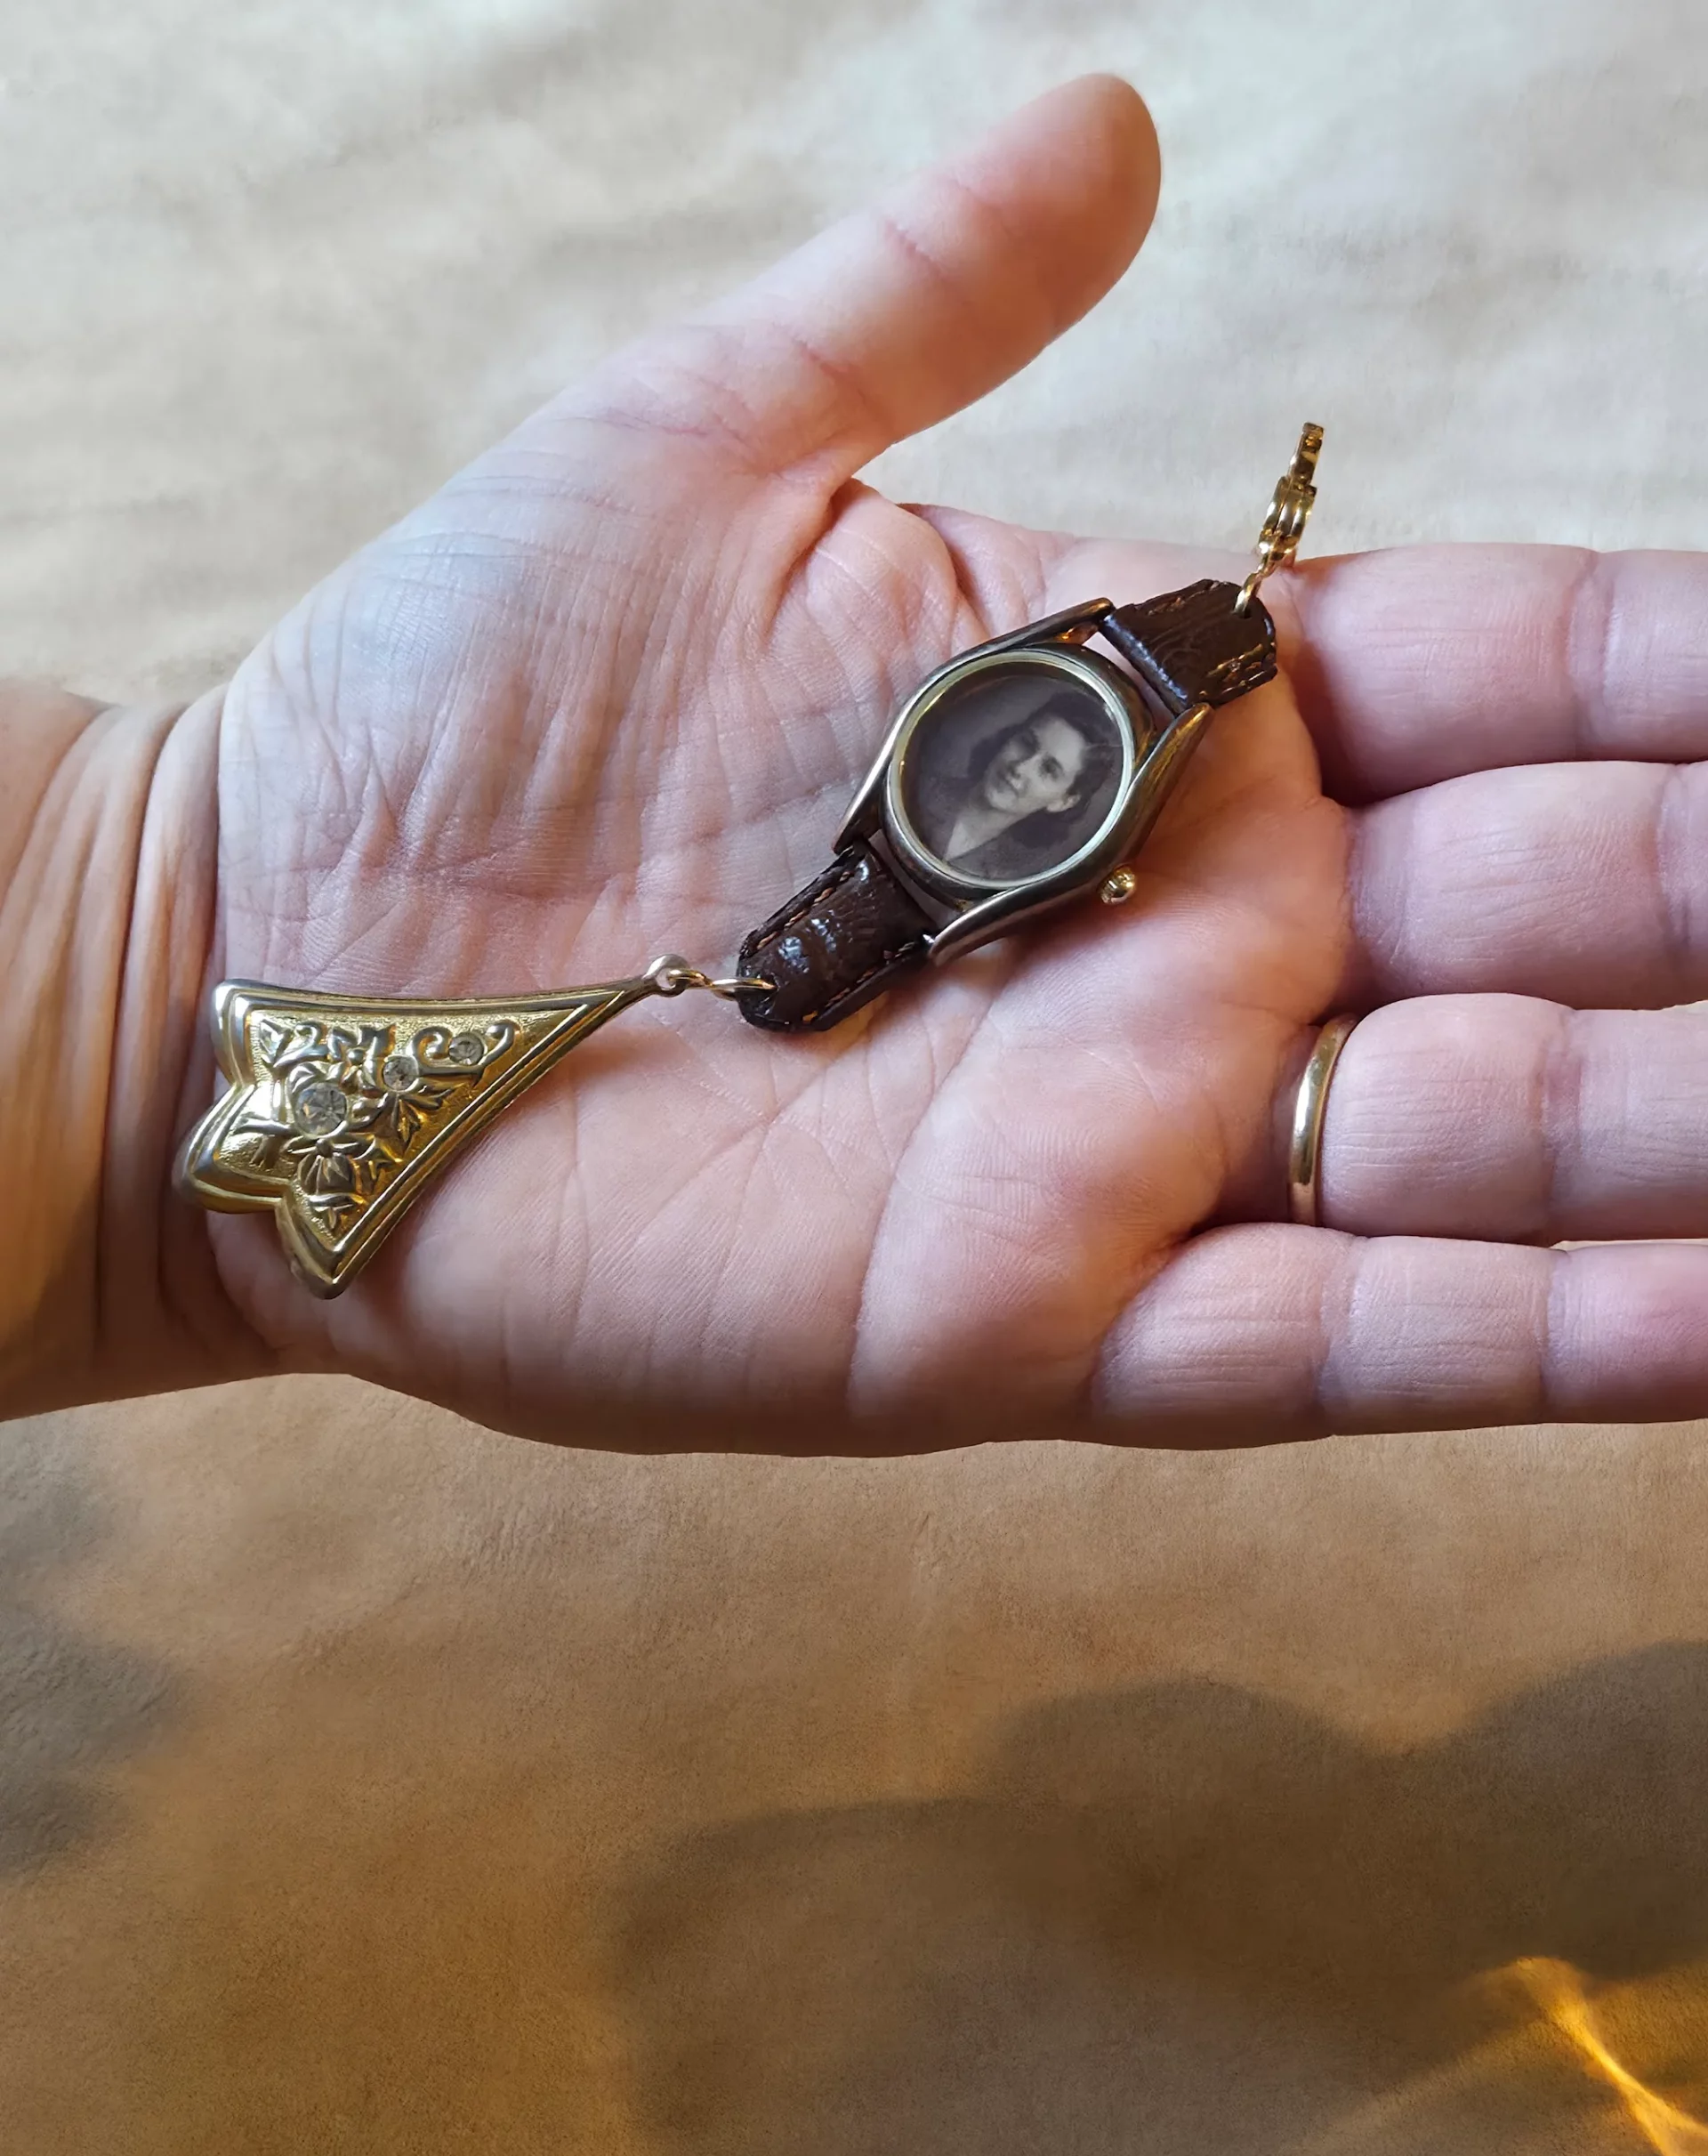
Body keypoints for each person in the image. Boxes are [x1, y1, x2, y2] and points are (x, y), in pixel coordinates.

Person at [7, 75, 1708, 1452]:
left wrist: (108, 932)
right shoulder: (947, 815)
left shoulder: (1078, 790)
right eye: (1026, 773)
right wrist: (119, 934)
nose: (1032, 790)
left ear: (1096, 849)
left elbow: (1020, 834)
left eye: (1049, 796)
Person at [914, 686, 1120, 880]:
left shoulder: (1017, 874)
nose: (1020, 768)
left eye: (1048, 770)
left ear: (1064, 801)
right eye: (1027, 743)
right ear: (1009, 736)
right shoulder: (917, 792)